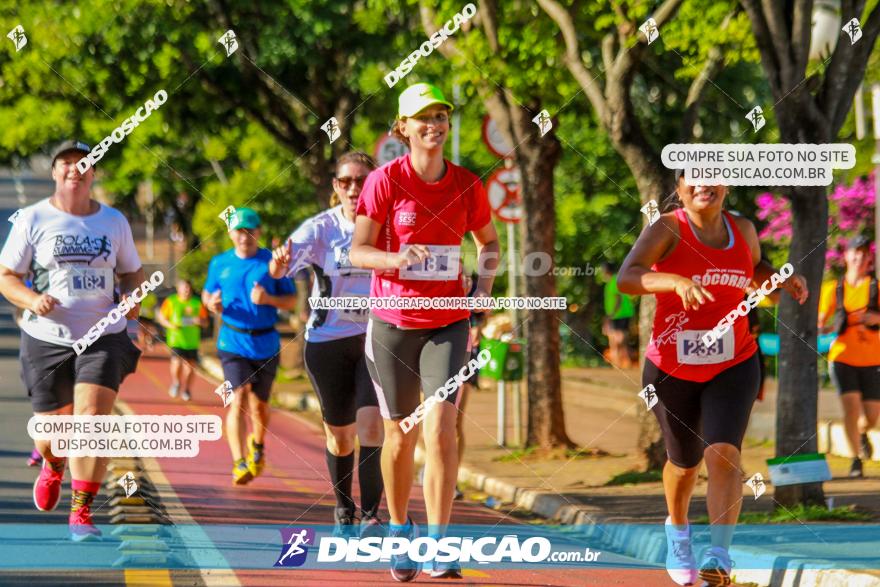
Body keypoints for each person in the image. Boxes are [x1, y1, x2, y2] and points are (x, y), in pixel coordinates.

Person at [617, 169, 808, 586]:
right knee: (684, 465)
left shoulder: (742, 228)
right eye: (694, 177)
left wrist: (780, 278)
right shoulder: (667, 227)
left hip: (734, 360)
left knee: (724, 453)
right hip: (672, 366)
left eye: (715, 177)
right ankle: (678, 531)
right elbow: (627, 277)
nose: (705, 185)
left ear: (727, 186)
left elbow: (755, 267)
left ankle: (719, 554)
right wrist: (672, 280)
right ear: (680, 187)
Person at [350, 82, 499, 582]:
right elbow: (358, 251)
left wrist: (483, 287)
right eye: (422, 117)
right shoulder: (385, 181)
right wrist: (395, 259)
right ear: (403, 128)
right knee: (401, 433)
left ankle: (439, 543)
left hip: (448, 323)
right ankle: (398, 530)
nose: (433, 125)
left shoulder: (466, 184)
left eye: (440, 116)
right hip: (393, 323)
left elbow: (490, 242)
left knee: (441, 428)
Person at [0, 140, 144, 541]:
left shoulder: (114, 221)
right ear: (54, 172)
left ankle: (81, 513)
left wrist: (134, 297)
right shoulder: (32, 218)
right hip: (46, 338)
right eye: (66, 164)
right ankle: (53, 464)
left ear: (93, 173)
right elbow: (6, 276)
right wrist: (32, 299)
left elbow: (132, 272)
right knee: (51, 435)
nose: (75, 170)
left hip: (104, 335)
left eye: (84, 164)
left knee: (92, 423)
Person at [269, 151, 386, 539]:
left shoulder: (389, 226)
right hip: (327, 343)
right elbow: (283, 265)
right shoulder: (321, 229)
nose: (355, 188)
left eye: (362, 180)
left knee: (372, 426)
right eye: (346, 181)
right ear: (336, 187)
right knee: (340, 435)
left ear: (375, 181)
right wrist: (278, 263)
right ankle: (343, 507)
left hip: (375, 338)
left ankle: (371, 515)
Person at [203, 207, 297, 485]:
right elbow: (208, 292)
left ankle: (257, 445)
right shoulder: (219, 262)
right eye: (239, 231)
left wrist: (269, 299)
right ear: (230, 234)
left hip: (266, 342)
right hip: (231, 341)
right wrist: (211, 303)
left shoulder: (272, 263)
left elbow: (290, 300)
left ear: (259, 233)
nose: (244, 236)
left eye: (250, 231)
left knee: (260, 405)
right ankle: (238, 461)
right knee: (238, 397)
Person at [818, 235, 880, 478]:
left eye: (865, 253)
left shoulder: (876, 287)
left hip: (873, 359)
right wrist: (822, 324)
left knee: (872, 417)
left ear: (869, 259)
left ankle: (864, 434)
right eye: (856, 252)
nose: (860, 257)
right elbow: (821, 320)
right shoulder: (833, 289)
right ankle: (855, 460)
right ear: (846, 256)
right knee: (851, 408)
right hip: (842, 357)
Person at [157, 278, 208, 401]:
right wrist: (171, 325)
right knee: (177, 362)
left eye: (189, 288)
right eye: (184, 287)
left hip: (192, 341)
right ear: (178, 289)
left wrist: (200, 321)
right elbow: (162, 318)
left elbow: (205, 322)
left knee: (190, 367)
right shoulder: (171, 301)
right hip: (176, 339)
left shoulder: (197, 303)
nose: (187, 290)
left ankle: (186, 389)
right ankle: (176, 382)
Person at [601, 261, 635, 368]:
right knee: (620, 341)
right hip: (622, 314)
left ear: (606, 270)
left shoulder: (613, 281)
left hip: (619, 315)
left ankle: (619, 364)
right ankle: (621, 363)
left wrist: (610, 315)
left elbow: (618, 299)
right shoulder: (616, 280)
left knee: (617, 341)